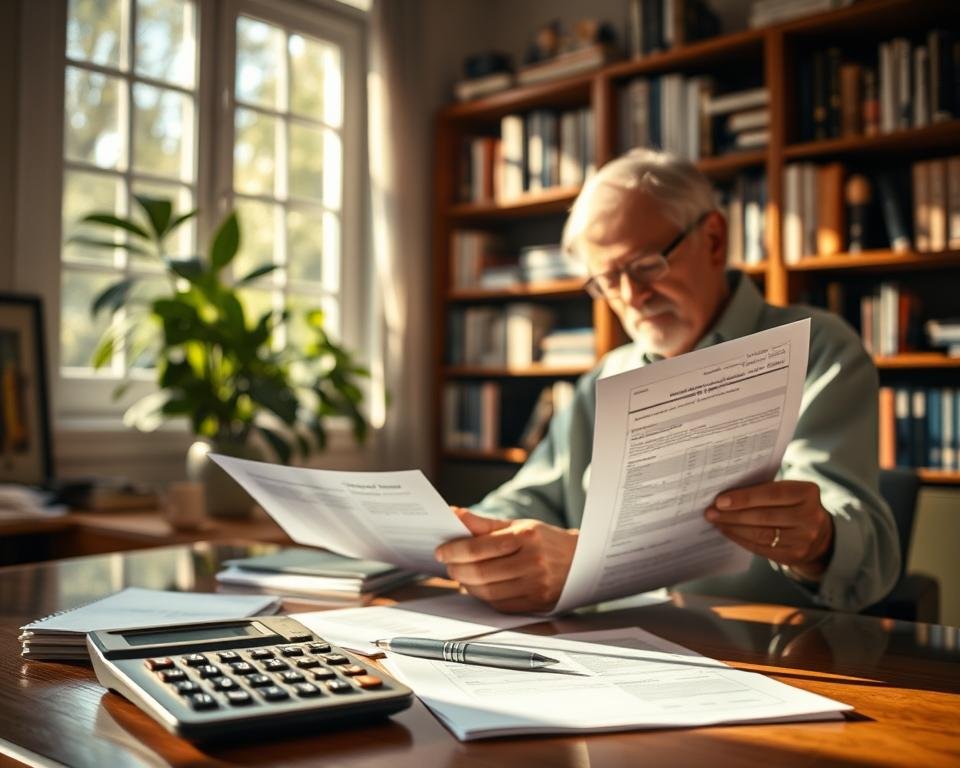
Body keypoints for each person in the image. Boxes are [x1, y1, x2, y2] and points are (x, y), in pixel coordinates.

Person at [435, 148, 900, 615]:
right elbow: (534, 495)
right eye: (608, 280)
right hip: (612, 647)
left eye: (645, 266)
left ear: (714, 239)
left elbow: (866, 546)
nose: (632, 297)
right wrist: (474, 534)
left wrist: (818, 540)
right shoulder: (604, 378)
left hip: (774, 650)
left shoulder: (818, 349)